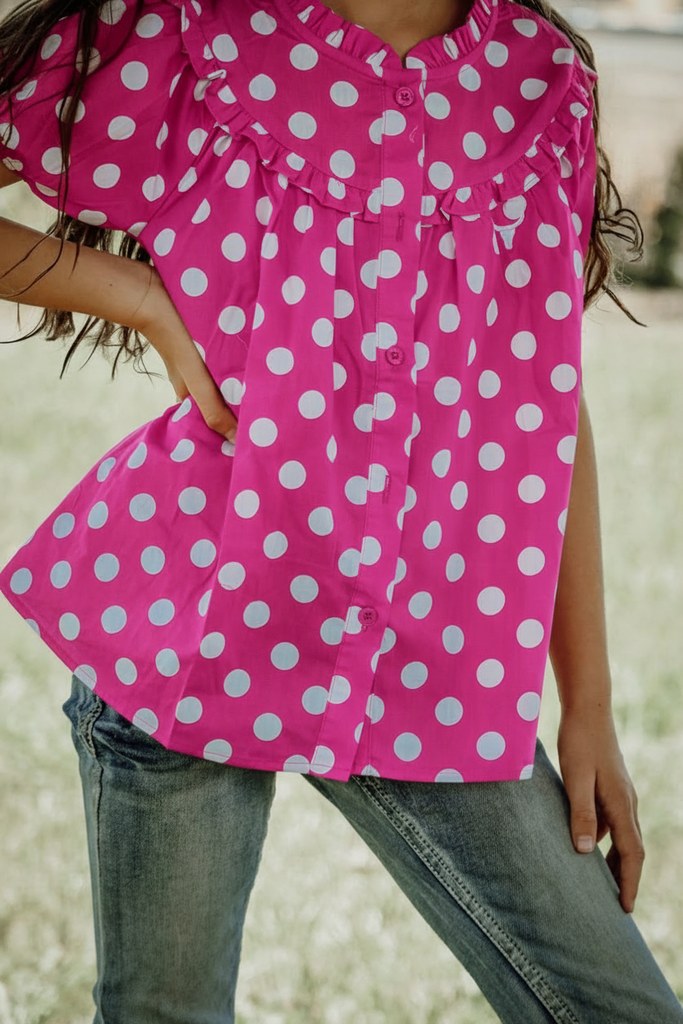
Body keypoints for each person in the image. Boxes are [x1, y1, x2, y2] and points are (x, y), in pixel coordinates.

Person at [0, 0, 680, 1020]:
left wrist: (586, 703)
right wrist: (142, 301)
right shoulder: (192, 36)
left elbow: (543, 388)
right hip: (191, 636)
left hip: (438, 665)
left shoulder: (539, 81)